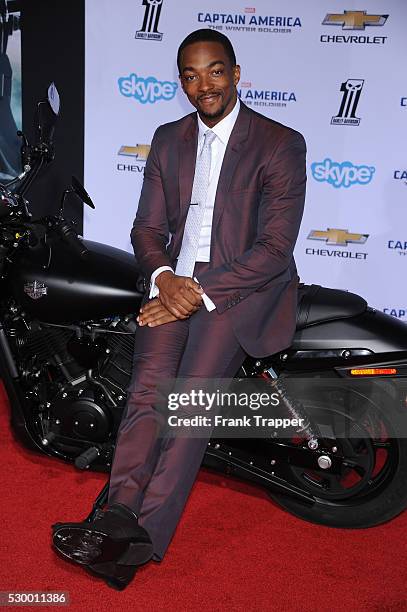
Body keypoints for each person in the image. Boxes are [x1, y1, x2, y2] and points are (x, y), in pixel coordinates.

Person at [52, 28, 306, 590]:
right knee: (145, 395)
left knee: (186, 406)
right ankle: (118, 517)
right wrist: (166, 278)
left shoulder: (279, 142)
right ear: (181, 83)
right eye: (190, 75)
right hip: (174, 287)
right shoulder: (168, 139)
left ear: (237, 75)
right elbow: (147, 228)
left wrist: (197, 289)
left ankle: (140, 539)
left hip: (240, 290)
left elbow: (274, 248)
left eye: (215, 71)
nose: (203, 85)